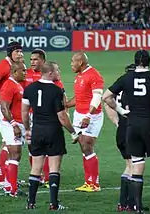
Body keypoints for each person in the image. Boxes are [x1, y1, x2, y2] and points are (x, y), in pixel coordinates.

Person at [102, 50, 150, 214]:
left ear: (135, 62)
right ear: (149, 62)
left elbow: (106, 97)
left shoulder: (126, 78)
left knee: (136, 164)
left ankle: (136, 207)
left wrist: (121, 111)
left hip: (131, 125)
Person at [22, 61, 80, 210]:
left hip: (37, 131)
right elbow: (62, 116)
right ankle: (53, 203)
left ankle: (31, 202)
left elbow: (24, 112)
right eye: (57, 70)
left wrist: (28, 129)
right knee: (54, 168)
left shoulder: (29, 89)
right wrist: (73, 132)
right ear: (50, 73)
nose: (59, 72)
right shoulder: (56, 90)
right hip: (53, 131)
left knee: (36, 168)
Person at [22, 48, 67, 187]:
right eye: (31, 60)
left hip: (47, 117)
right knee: (33, 148)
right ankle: (39, 176)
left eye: (35, 59)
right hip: (30, 115)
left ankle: (47, 177)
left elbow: (62, 99)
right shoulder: (26, 73)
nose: (32, 62)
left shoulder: (53, 79)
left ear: (43, 61)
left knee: (47, 149)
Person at [66, 52, 104, 192]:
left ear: (80, 62)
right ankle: (88, 182)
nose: (71, 64)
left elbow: (97, 97)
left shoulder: (94, 75)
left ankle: (95, 184)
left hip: (92, 116)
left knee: (87, 145)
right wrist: (65, 105)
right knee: (83, 146)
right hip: (79, 115)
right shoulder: (80, 76)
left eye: (73, 61)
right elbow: (79, 98)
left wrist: (88, 116)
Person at [104, 64, 136, 212]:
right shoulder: (138, 89)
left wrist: (117, 122)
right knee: (134, 166)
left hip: (121, 130)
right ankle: (130, 204)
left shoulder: (120, 88)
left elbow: (107, 103)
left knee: (129, 165)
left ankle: (123, 203)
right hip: (132, 130)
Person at [0, 41, 23, 187]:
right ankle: (0, 177)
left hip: (10, 107)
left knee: (8, 142)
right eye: (17, 51)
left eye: (21, 51)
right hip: (5, 109)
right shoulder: (4, 65)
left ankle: (3, 176)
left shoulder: (13, 65)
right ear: (10, 52)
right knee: (8, 143)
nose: (20, 54)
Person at [0, 61, 26, 197]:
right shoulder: (9, 85)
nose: (25, 73)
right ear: (15, 72)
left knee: (13, 155)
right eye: (23, 71)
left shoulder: (17, 85)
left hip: (17, 123)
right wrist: (14, 124)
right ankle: (12, 189)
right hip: (10, 124)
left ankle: (8, 185)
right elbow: (4, 107)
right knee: (15, 153)